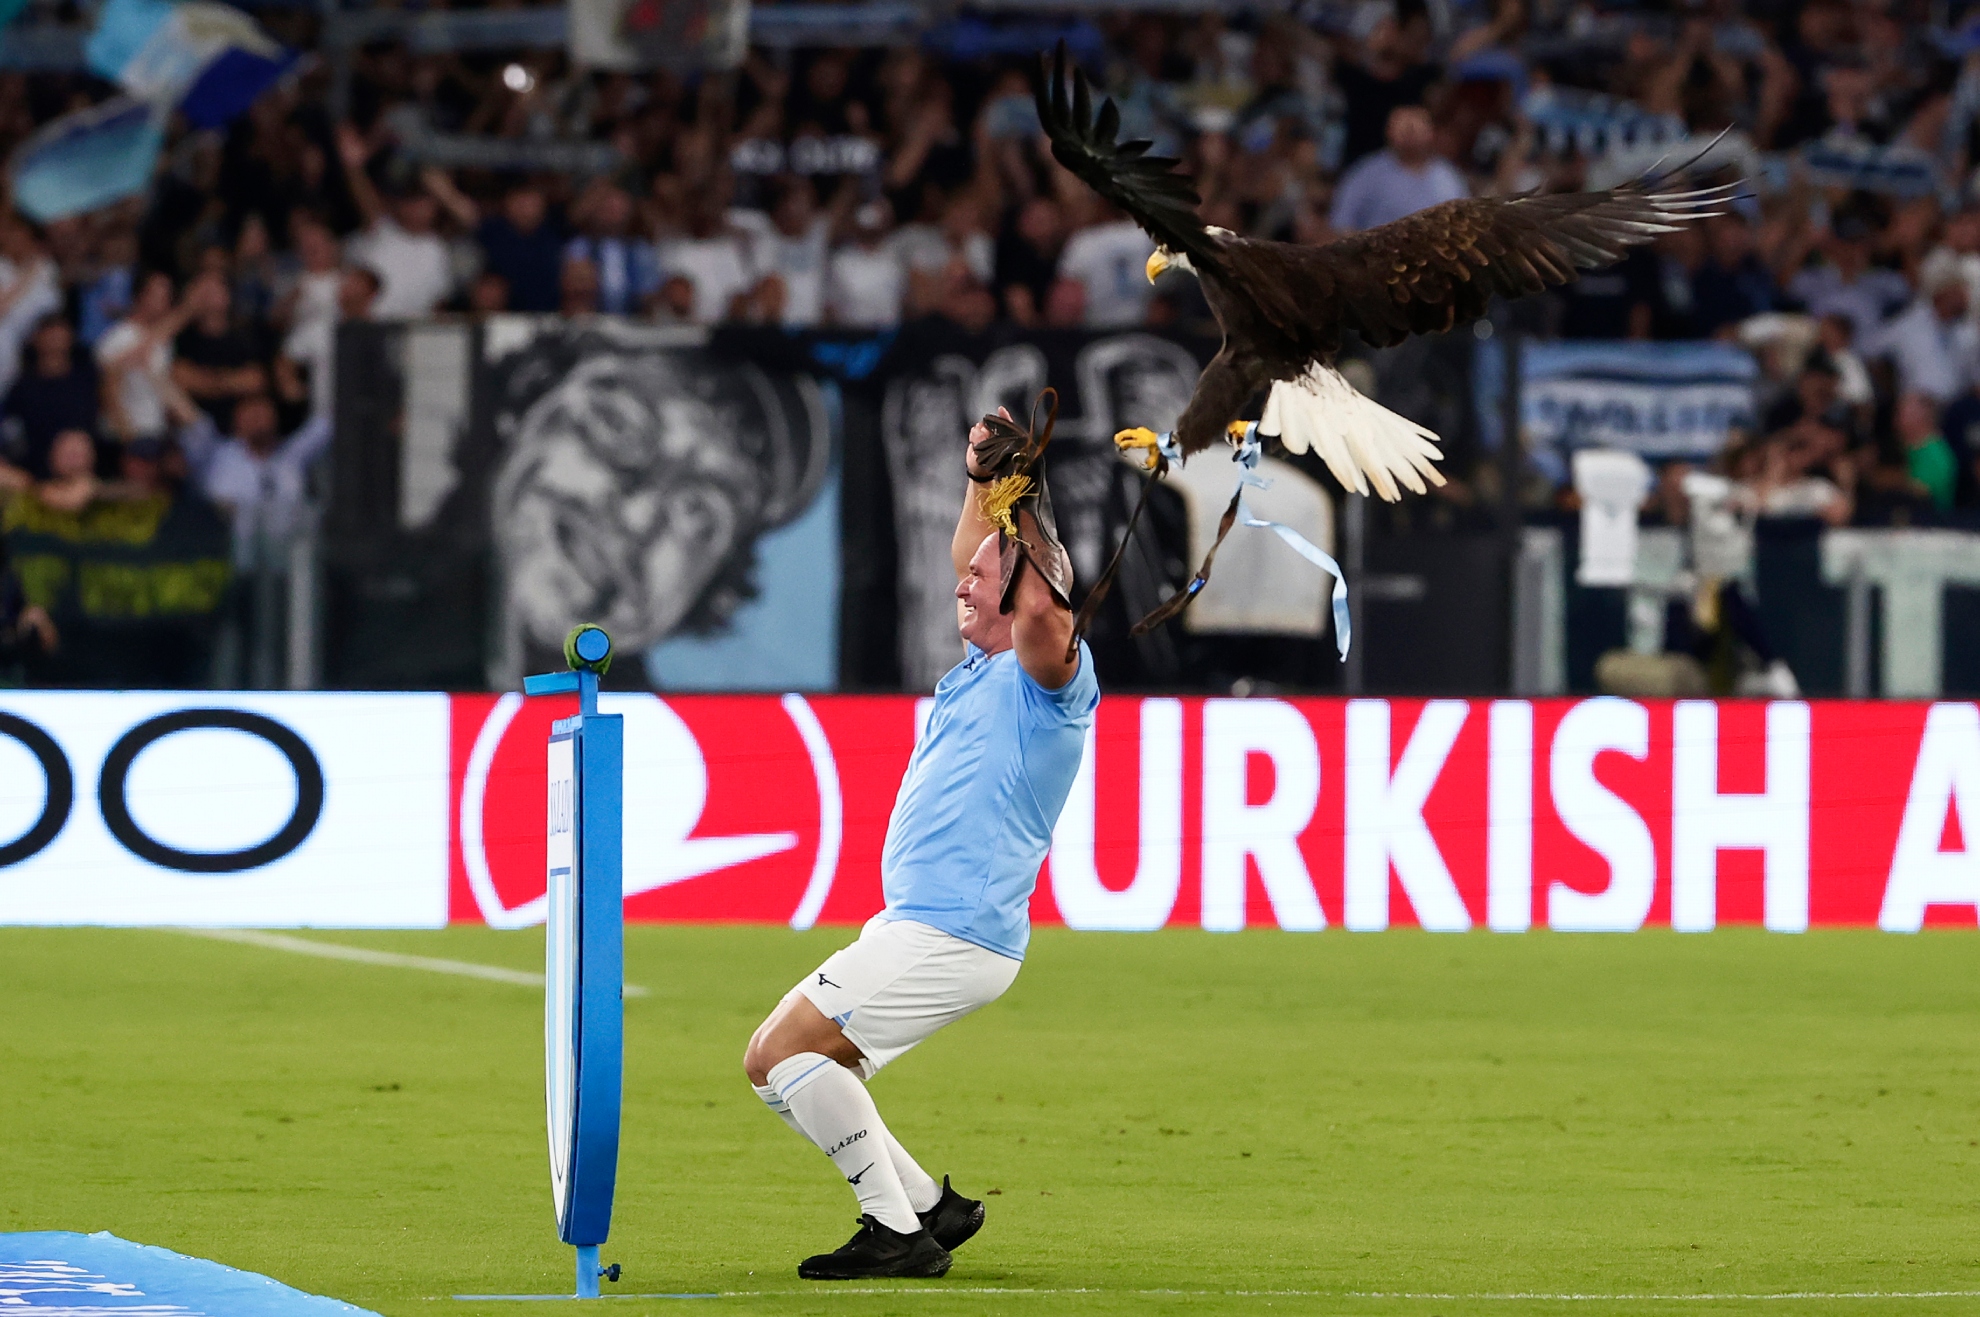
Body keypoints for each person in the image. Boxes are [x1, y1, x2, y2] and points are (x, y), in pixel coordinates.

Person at [742, 406, 1098, 1281]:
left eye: (983, 576)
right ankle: (930, 1210)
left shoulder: (1049, 680)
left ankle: (895, 1234)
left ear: (1021, 591)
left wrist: (1027, 521)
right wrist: (987, 476)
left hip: (952, 932)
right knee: (775, 1068)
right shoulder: (979, 667)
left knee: (785, 1053)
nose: (960, 582)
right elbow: (978, 552)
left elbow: (1046, 615)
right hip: (917, 924)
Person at [1328, 105, 1467, 235]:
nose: (1409, 134)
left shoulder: (1448, 175)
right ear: (1388, 132)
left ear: (1431, 133)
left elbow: (1463, 223)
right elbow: (1342, 223)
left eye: (1415, 128)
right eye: (1403, 128)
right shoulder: (1366, 173)